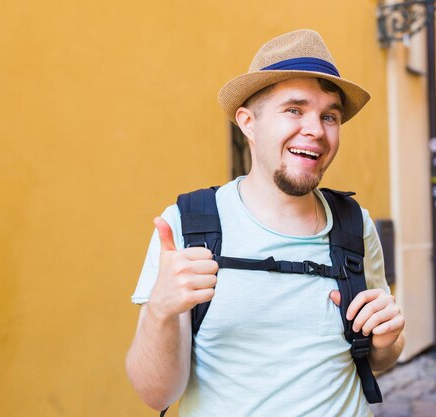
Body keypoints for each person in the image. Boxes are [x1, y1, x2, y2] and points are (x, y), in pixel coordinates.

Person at [126, 29, 405, 417]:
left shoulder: (354, 225)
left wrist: (387, 341)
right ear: (248, 123)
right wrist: (160, 311)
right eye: (294, 109)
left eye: (329, 116)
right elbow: (156, 395)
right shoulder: (187, 229)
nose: (316, 130)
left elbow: (377, 359)